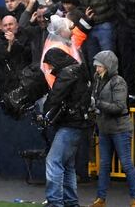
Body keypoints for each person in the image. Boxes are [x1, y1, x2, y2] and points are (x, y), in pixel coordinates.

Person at [41, 47, 93, 207]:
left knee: (53, 161)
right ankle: (71, 202)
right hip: (80, 124)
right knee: (67, 165)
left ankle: (55, 202)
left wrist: (44, 111)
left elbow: (54, 98)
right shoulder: (80, 71)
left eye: (49, 65)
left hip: (70, 124)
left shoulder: (67, 73)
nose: (49, 69)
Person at [88, 51, 135, 207]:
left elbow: (119, 107)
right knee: (104, 165)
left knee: (126, 164)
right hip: (105, 128)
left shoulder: (118, 82)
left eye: (98, 65)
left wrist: (97, 104)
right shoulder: (97, 79)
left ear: (107, 65)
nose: (96, 68)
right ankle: (101, 199)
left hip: (120, 129)